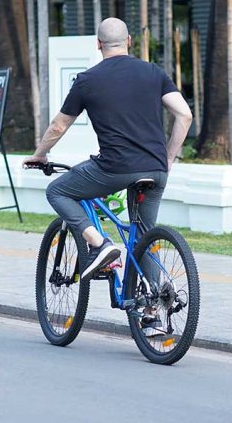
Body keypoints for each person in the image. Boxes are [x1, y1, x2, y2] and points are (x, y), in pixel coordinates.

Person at [23, 17, 193, 284]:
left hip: (115, 169)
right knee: (144, 234)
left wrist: (40, 154)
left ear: (98, 45)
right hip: (156, 169)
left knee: (57, 190)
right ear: (128, 41)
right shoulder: (153, 72)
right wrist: (168, 157)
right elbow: (184, 115)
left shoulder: (88, 80)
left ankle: (99, 244)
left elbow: (58, 126)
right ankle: (153, 313)